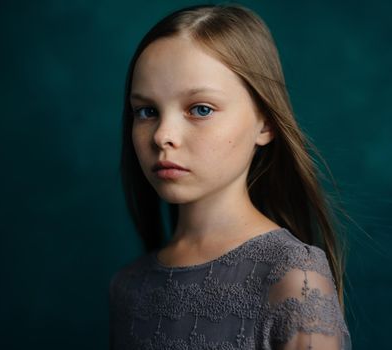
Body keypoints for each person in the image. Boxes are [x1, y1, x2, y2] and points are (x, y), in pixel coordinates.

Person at [109, 3, 352, 350]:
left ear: (265, 122)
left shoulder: (294, 276)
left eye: (201, 109)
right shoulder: (127, 287)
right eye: (146, 111)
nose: (163, 135)